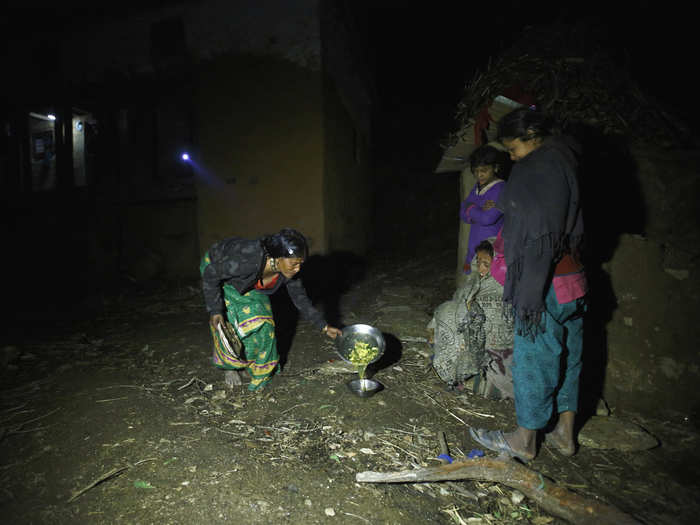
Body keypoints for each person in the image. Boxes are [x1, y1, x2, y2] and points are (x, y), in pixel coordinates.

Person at [469, 107, 587, 461]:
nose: (510, 154)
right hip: (575, 281)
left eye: (513, 146)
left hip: (545, 285)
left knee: (534, 358)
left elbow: (536, 237)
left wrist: (527, 291)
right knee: (570, 357)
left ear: (532, 136)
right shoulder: (568, 159)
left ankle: (525, 440)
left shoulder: (537, 169)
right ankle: (565, 433)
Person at [200, 228, 342, 391]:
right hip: (217, 269)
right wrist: (215, 309)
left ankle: (257, 370)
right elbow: (211, 274)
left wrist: (323, 326)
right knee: (229, 322)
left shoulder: (287, 271)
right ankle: (230, 367)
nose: (298, 269)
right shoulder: (247, 261)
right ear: (277, 257)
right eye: (294, 263)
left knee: (263, 324)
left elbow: (301, 299)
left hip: (250, 282)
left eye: (300, 264)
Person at [428, 239, 514, 395]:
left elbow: (493, 327)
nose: (480, 268)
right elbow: (457, 302)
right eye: (478, 261)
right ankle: (452, 371)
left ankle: (461, 377)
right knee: (448, 311)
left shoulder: (501, 291)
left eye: (486, 264)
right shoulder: (474, 281)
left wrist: (469, 315)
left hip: (492, 353)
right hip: (467, 340)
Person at [459, 144, 509, 274]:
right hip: (475, 247)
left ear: (496, 168)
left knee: (490, 287)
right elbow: (462, 213)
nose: (479, 175)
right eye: (475, 171)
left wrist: (470, 208)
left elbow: (487, 218)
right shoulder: (477, 188)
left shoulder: (501, 189)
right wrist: (477, 209)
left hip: (493, 249)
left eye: (484, 170)